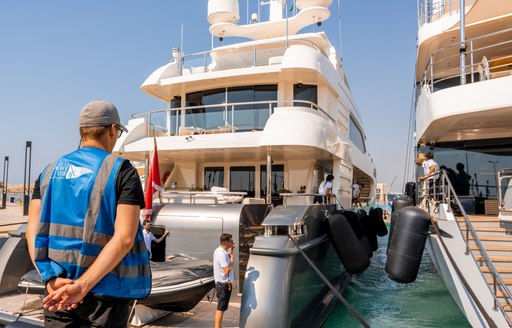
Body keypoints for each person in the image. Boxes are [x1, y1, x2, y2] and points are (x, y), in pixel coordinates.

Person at [26, 100, 151, 326]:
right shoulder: (122, 171)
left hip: (59, 291)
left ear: (82, 132)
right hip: (107, 295)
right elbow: (124, 238)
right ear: (112, 129)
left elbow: (32, 233)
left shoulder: (48, 172)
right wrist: (83, 286)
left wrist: (50, 280)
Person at [213, 233, 236, 328]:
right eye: (231, 241)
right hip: (223, 285)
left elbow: (228, 256)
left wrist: (232, 249)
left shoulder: (220, 251)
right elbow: (226, 271)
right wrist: (232, 262)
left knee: (222, 308)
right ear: (226, 242)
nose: (233, 242)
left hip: (223, 284)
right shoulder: (221, 254)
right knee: (220, 309)